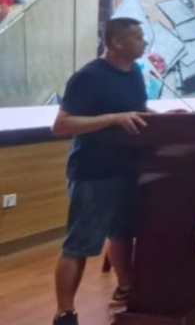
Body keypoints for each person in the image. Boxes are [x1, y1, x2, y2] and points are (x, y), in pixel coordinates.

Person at [50, 18, 149, 325]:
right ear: (116, 42)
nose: (144, 42)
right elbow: (61, 125)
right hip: (93, 174)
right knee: (79, 246)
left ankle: (126, 289)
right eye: (138, 37)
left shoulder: (135, 72)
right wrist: (113, 119)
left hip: (128, 168)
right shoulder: (88, 77)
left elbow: (137, 112)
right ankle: (65, 313)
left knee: (122, 234)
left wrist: (167, 118)